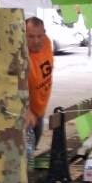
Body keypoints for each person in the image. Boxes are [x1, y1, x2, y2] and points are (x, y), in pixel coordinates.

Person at [25, 17, 54, 149]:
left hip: (40, 110)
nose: (36, 41)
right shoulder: (20, 56)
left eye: (39, 36)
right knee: (25, 154)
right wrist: (26, 110)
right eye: (30, 36)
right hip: (27, 114)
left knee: (32, 150)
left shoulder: (47, 42)